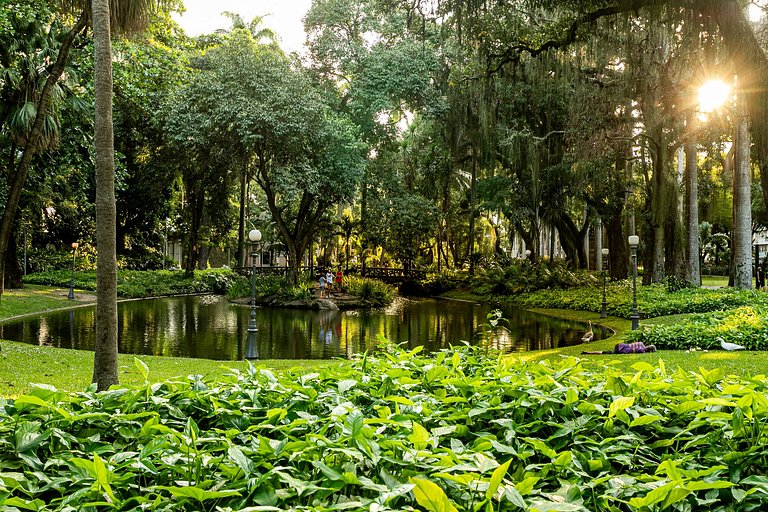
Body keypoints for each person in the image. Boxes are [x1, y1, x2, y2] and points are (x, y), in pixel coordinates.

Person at [581, 342, 656, 355]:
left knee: (606, 352)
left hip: (620, 345)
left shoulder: (641, 343)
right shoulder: (641, 351)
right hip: (621, 350)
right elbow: (631, 351)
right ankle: (588, 353)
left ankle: (587, 352)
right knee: (604, 352)